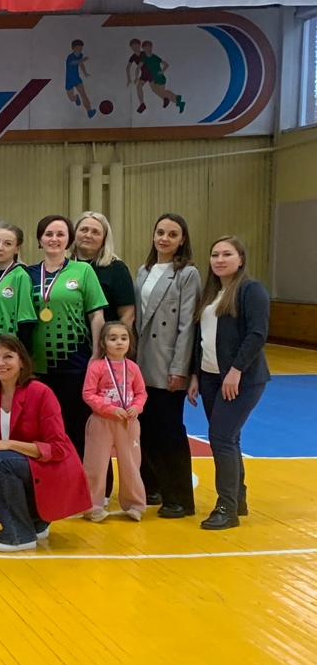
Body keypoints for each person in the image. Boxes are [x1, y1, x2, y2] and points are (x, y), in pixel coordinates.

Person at [0, 336, 92, 552]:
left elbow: (57, 448)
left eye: (7, 357)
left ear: (21, 361)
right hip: (17, 468)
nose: (0, 363)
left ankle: (19, 535)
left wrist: (9, 444)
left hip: (51, 469)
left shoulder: (40, 392)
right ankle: (36, 523)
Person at [188, 236, 270, 530]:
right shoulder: (211, 293)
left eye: (227, 254)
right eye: (215, 254)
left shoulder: (251, 290)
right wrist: (195, 374)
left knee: (221, 437)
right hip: (210, 378)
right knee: (228, 438)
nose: (220, 260)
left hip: (240, 379)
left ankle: (227, 508)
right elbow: (201, 338)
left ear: (241, 259)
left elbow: (257, 335)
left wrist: (236, 370)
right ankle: (238, 499)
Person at [134, 213, 200, 519]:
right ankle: (154, 487)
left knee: (170, 431)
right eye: (160, 232)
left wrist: (179, 368)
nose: (164, 238)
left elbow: (187, 325)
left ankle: (181, 498)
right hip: (141, 361)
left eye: (172, 234)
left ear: (182, 240)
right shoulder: (143, 270)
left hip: (167, 363)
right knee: (146, 428)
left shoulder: (187, 273)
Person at [29, 214, 107, 460]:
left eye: (60, 234)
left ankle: (86, 479)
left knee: (77, 427)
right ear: (39, 239)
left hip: (75, 362)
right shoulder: (27, 274)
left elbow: (96, 315)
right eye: (48, 234)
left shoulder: (83, 270)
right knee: (43, 429)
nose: (54, 239)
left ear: (69, 240)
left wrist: (97, 354)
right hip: (38, 365)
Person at [82, 322, 147, 522]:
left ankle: (135, 505)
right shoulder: (96, 367)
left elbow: (141, 393)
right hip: (101, 422)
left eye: (123, 338)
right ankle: (92, 506)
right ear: (103, 343)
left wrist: (137, 407)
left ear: (129, 342)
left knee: (131, 465)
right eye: (113, 338)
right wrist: (110, 409)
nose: (119, 342)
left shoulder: (133, 367)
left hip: (128, 423)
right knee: (96, 465)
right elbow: (88, 394)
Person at [0, 224, 37, 357]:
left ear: (17, 249)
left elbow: (26, 321)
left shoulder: (20, 276)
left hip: (10, 351)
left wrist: (23, 358)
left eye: (7, 244)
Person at [73, 211, 135, 328]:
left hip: (104, 336)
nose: (88, 235)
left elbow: (127, 314)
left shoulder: (116, 269)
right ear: (74, 233)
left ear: (104, 239)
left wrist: (116, 337)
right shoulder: (63, 265)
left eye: (95, 232)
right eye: (84, 230)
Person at [65, 39, 96, 118]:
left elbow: (81, 64)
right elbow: (73, 62)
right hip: (69, 79)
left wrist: (85, 72)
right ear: (74, 48)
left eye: (81, 48)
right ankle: (76, 98)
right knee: (71, 98)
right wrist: (82, 60)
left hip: (77, 78)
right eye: (78, 48)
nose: (80, 50)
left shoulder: (80, 55)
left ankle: (89, 111)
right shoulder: (70, 57)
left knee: (83, 94)